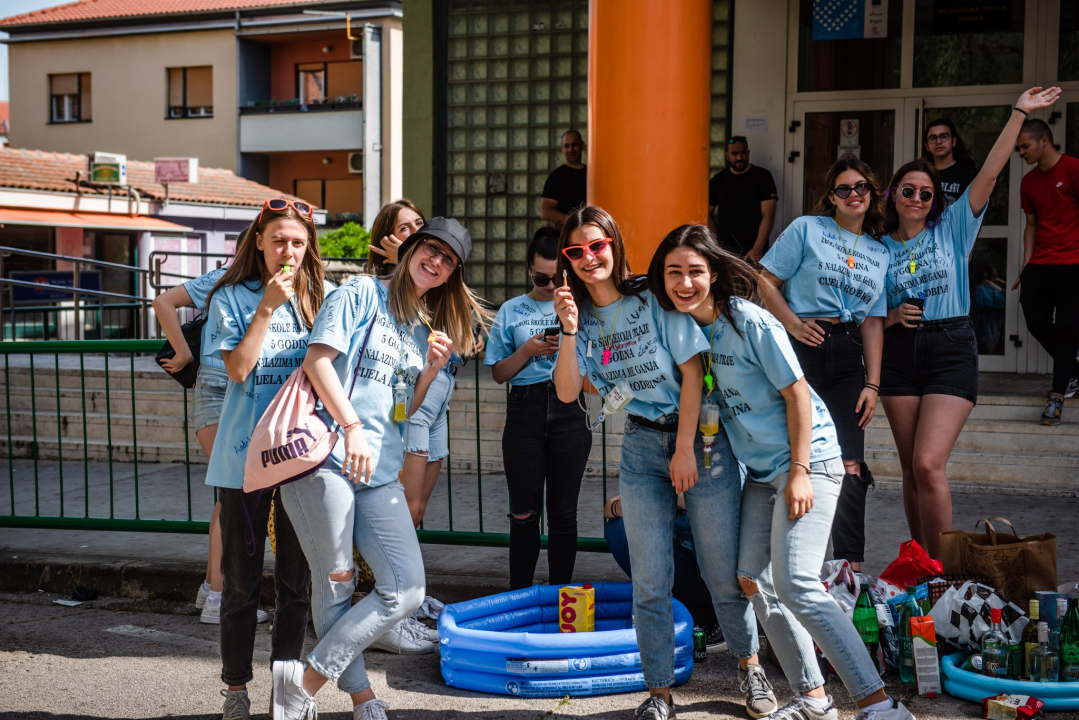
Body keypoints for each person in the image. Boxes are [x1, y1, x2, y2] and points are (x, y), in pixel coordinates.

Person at [650, 224, 916, 720]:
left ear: (714, 274)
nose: (684, 283)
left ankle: (880, 705)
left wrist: (798, 471)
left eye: (695, 271)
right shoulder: (689, 333)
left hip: (808, 460)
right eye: (673, 273)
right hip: (763, 473)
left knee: (796, 583)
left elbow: (797, 395)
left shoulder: (750, 320)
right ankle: (813, 698)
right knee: (752, 578)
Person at [552, 207, 777, 720]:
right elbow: (568, 392)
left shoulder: (650, 297)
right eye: (576, 251)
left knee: (722, 572)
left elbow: (693, 373)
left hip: (699, 440)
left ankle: (749, 665)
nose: (589, 258)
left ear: (613, 245)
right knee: (651, 581)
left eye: (597, 246)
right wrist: (567, 330)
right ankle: (659, 693)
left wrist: (684, 450)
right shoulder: (579, 317)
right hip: (639, 446)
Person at [271, 217, 486, 720]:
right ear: (410, 248)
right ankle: (360, 695)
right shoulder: (359, 293)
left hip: (379, 472)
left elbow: (402, 409)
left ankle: (300, 682)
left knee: (407, 588)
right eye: (430, 249)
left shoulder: (418, 328)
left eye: (448, 259)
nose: (436, 262)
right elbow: (319, 361)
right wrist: (350, 427)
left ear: (452, 274)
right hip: (325, 457)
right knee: (337, 587)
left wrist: (430, 370)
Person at [880, 87, 1061, 560]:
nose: (918, 197)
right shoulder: (877, 248)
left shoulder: (955, 225)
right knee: (908, 468)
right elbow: (863, 311)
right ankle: (919, 566)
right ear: (893, 195)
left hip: (949, 345)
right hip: (899, 352)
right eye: (908, 190)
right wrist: (892, 314)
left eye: (926, 192)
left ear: (935, 199)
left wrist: (1020, 113)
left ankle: (942, 571)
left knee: (928, 464)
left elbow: (992, 169)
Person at [203, 197, 333, 720]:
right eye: (279, 239)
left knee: (296, 584)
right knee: (241, 582)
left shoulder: (321, 298)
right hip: (241, 461)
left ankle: (285, 691)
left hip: (302, 459)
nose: (288, 251)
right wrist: (266, 309)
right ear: (258, 241)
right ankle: (236, 689)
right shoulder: (231, 298)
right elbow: (237, 370)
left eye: (299, 242)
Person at [756, 158, 889, 572]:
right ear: (831, 196)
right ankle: (788, 565)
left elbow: (872, 322)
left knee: (850, 464)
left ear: (872, 194)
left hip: (848, 353)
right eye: (845, 189)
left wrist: (874, 384)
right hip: (803, 347)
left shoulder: (878, 252)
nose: (854, 195)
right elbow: (764, 280)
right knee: (795, 456)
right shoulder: (807, 228)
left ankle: (849, 570)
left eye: (862, 187)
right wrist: (793, 324)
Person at [153, 267, 269, 627]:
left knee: (230, 497)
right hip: (221, 392)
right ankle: (218, 599)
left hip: (244, 395)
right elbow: (163, 301)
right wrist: (185, 353)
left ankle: (212, 588)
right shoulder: (229, 277)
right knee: (234, 496)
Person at [485, 226, 591, 590]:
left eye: (554, 278)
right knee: (524, 514)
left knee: (563, 514)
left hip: (570, 410)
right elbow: (499, 373)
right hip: (524, 409)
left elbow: (595, 366)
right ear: (528, 269)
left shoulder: (580, 307)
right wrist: (527, 350)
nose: (548, 286)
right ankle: (520, 597)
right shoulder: (511, 310)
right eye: (538, 278)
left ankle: (562, 595)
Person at [1013, 117, 1079, 423]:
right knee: (1036, 322)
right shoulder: (1028, 181)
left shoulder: (1073, 169)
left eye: (1025, 145)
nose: (1021, 152)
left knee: (1067, 328)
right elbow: (1032, 225)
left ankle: (1057, 395)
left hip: (1073, 264)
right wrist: (1026, 263)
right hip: (1040, 263)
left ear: (1043, 141)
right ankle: (1075, 372)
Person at [603, 494, 724, 652]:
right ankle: (665, 607)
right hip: (684, 568)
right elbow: (609, 507)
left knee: (703, 517)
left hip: (719, 575)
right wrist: (626, 506)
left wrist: (667, 495)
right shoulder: (658, 474)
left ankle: (723, 615)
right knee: (617, 527)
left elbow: (706, 501)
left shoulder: (713, 473)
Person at [708, 135, 778, 261]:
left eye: (743, 152)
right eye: (734, 153)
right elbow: (706, 213)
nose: (739, 158)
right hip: (726, 252)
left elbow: (769, 214)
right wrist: (716, 245)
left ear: (748, 152)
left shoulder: (763, 177)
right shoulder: (718, 180)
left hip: (754, 251)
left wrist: (757, 248)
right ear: (727, 155)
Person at [921, 118, 978, 207]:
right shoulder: (921, 173)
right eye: (933, 138)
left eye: (943, 136)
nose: (938, 141)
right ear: (927, 146)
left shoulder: (968, 173)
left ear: (953, 141)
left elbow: (977, 210)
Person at [363, 198, 425, 276]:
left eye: (419, 223)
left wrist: (402, 258)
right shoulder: (368, 284)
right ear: (386, 241)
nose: (416, 230)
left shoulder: (439, 256)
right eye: (404, 228)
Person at [539, 129, 586, 226]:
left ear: (582, 145)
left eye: (574, 144)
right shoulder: (556, 177)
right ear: (562, 149)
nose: (570, 149)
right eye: (566, 146)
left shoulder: (591, 173)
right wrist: (574, 222)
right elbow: (545, 212)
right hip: (564, 235)